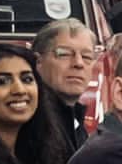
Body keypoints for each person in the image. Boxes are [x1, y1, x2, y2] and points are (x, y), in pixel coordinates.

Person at [34, 18, 98, 154]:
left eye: (87, 56)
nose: (79, 63)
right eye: (64, 54)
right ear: (38, 62)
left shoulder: (73, 119)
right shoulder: (33, 123)